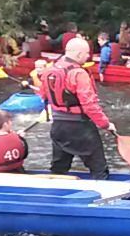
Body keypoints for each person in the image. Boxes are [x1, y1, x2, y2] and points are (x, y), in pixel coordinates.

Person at [39, 37, 116, 178]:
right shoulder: (79, 74)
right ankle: (103, 195)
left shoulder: (49, 71)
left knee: (59, 168)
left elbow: (43, 95)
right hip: (80, 128)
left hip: (58, 127)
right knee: (98, 168)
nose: (88, 56)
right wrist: (105, 124)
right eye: (87, 53)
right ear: (79, 54)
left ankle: (55, 193)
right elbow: (90, 105)